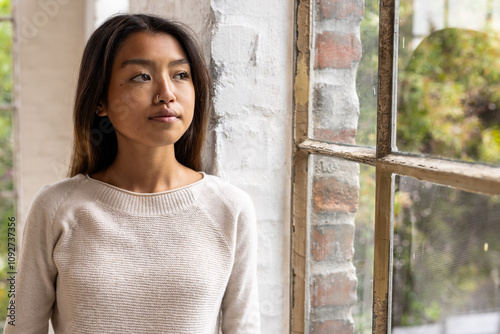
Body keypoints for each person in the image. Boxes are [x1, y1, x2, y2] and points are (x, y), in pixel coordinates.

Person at [5, 14, 260, 334]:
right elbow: (21, 327)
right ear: (100, 101)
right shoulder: (56, 207)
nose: (166, 93)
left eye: (181, 74)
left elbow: (245, 328)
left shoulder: (229, 208)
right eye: (142, 76)